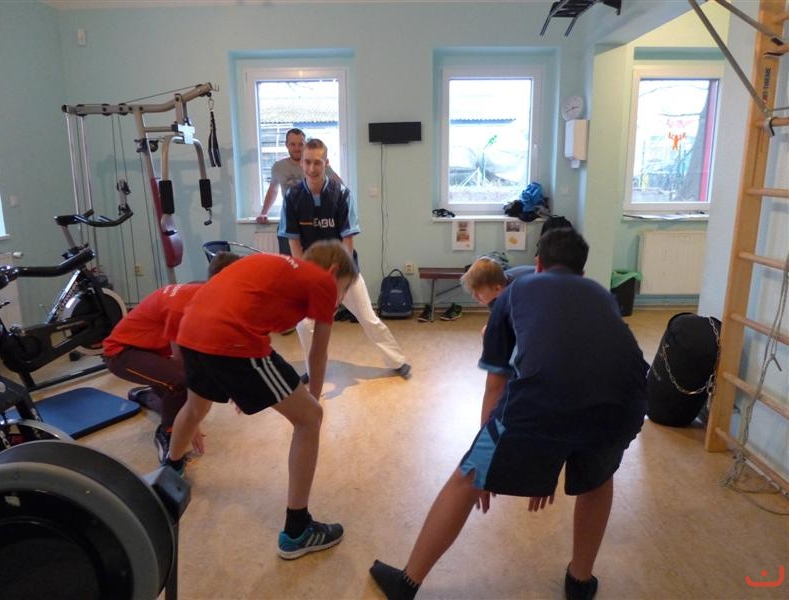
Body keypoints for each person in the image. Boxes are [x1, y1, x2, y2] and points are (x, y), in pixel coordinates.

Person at [370, 228, 649, 600]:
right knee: (598, 481)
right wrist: (542, 467)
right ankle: (580, 581)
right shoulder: (601, 294)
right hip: (627, 400)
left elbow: (496, 385)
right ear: (581, 271)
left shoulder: (515, 292)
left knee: (467, 478)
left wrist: (485, 468)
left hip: (547, 397)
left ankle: (406, 584)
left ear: (538, 264)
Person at [163, 240, 358, 559]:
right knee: (309, 418)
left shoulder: (279, 267)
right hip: (229, 337)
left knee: (196, 406)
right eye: (345, 288)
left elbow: (249, 313)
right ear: (334, 271)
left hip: (191, 332)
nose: (341, 298)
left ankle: (168, 475)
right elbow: (318, 353)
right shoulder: (322, 281)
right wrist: (312, 405)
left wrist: (242, 385)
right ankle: (298, 531)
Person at [279, 138, 410, 378]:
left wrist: (340, 283)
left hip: (345, 271)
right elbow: (294, 242)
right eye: (307, 162)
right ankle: (312, 369)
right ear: (301, 164)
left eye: (317, 162)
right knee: (304, 324)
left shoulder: (341, 194)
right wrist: (306, 278)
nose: (311, 168)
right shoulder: (292, 197)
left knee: (368, 319)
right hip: (312, 273)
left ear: (326, 163)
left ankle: (397, 361)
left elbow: (347, 241)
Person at [102, 251, 241, 462]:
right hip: (120, 354)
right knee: (182, 382)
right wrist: (189, 424)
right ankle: (167, 434)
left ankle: (147, 396)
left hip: (149, 351)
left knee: (184, 392)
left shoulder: (203, 291)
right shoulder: (184, 306)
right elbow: (184, 365)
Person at [257, 128, 341, 255]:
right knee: (289, 263)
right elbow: (273, 190)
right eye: (292, 144)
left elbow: (339, 187)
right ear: (286, 145)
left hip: (312, 224)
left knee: (312, 262)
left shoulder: (317, 164)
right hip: (288, 224)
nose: (297, 148)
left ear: (305, 144)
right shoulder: (278, 167)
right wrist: (264, 212)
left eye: (300, 144)